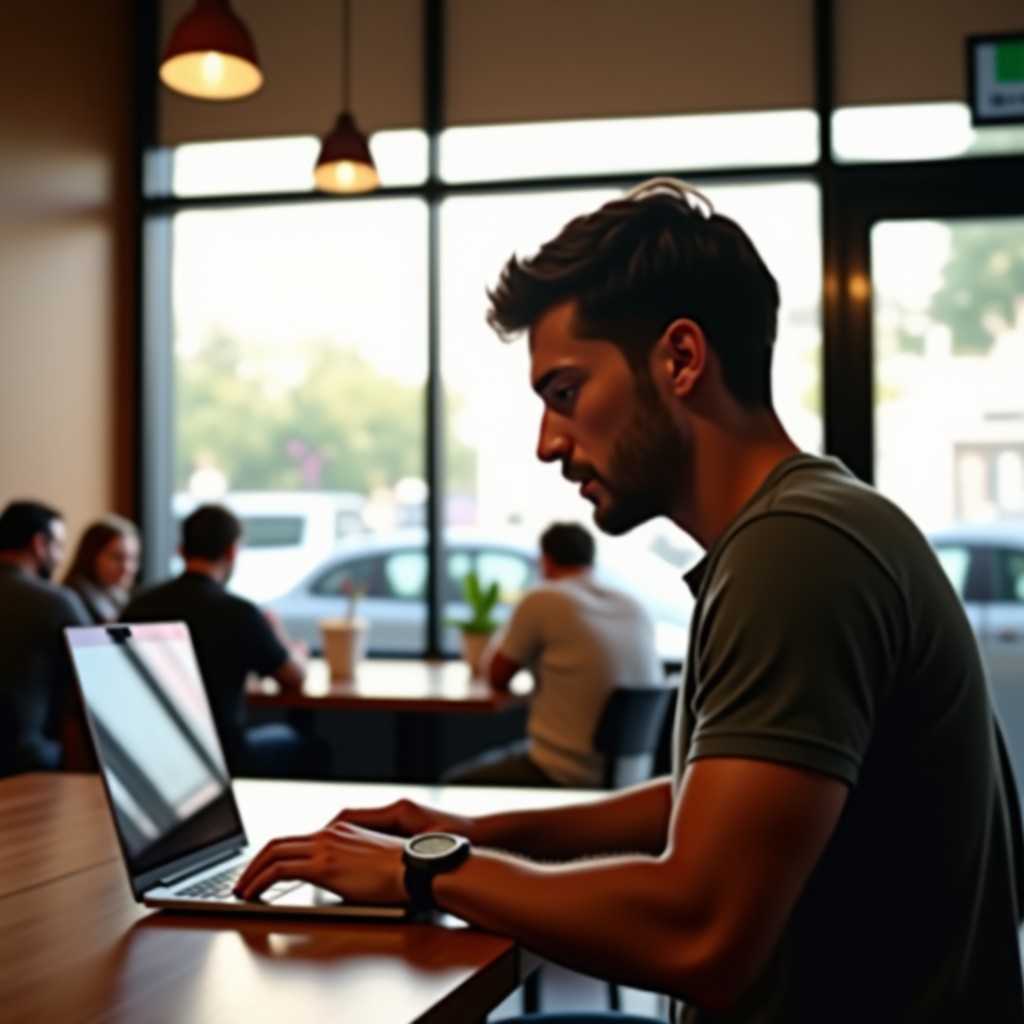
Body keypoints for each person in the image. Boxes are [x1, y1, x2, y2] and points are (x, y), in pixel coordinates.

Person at [234, 179, 1024, 1022]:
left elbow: (699, 935)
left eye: (565, 393)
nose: (547, 444)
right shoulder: (806, 524)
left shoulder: (795, 552)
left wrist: (425, 872)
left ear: (680, 359)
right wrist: (466, 832)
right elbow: (710, 803)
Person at [444, 521, 661, 788]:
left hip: (566, 771)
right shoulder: (633, 605)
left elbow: (496, 676)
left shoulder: (544, 598)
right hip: (634, 775)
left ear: (545, 561)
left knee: (452, 785)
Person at [122, 503, 327, 780]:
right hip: (225, 757)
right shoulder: (240, 613)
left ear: (181, 549)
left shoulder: (139, 607)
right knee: (315, 749)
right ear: (232, 550)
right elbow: (294, 678)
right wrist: (289, 644)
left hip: (152, 756)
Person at [0, 500, 89, 774]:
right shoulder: (54, 602)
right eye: (58, 546)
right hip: (28, 763)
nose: (60, 557)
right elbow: (96, 676)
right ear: (39, 544)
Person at [62, 514, 140, 624]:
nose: (126, 567)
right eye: (117, 557)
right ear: (90, 556)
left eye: (132, 558)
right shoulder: (71, 603)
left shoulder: (120, 598)